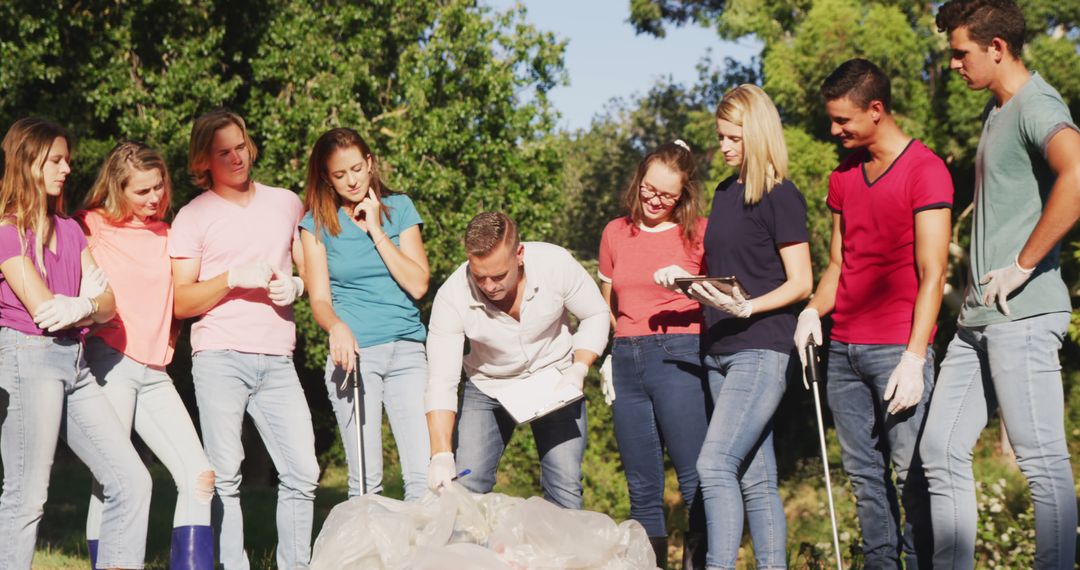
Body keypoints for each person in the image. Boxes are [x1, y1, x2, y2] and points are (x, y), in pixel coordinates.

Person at [922, 2, 1080, 568]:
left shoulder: (1037, 103)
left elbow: (1078, 172)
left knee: (1041, 461)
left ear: (997, 48)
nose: (956, 65)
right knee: (939, 448)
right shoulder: (998, 110)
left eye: (962, 53)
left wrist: (1023, 262)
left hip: (1026, 315)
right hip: (977, 323)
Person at [794, 59, 953, 569]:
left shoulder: (925, 170)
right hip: (844, 352)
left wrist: (915, 355)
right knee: (864, 477)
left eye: (843, 121)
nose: (834, 130)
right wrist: (813, 311)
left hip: (896, 352)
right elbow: (840, 262)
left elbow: (932, 273)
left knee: (910, 473)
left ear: (877, 110)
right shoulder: (843, 177)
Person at [664, 84, 812, 570]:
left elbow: (801, 282)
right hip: (718, 349)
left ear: (757, 133)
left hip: (761, 349)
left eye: (733, 138)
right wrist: (691, 285)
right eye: (721, 137)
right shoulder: (726, 196)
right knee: (755, 477)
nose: (724, 147)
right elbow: (729, 270)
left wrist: (751, 308)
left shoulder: (781, 196)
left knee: (714, 465)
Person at [169, 109, 319, 569]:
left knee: (304, 473)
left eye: (241, 146)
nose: (237, 157)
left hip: (277, 357)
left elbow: (312, 269)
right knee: (227, 476)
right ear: (204, 161)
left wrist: (298, 285)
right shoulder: (193, 217)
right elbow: (180, 301)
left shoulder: (287, 203)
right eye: (223, 151)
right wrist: (231, 279)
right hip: (219, 356)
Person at [0, 117, 151, 569]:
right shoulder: (8, 232)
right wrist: (85, 301)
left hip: (75, 364)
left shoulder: (69, 229)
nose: (66, 168)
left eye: (67, 159)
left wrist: (83, 305)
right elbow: (44, 309)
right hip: (29, 360)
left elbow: (108, 304)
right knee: (27, 498)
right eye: (55, 160)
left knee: (132, 481)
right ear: (27, 163)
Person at [77, 141, 216, 569]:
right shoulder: (90, 226)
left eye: (159, 187)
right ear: (117, 189)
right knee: (114, 481)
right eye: (142, 192)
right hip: (110, 365)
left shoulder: (168, 235)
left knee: (199, 476)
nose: (155, 198)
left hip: (155, 372)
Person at [424, 211, 609, 509]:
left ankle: (563, 556)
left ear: (519, 255)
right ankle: (470, 555)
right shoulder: (451, 297)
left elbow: (596, 314)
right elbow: (441, 380)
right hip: (489, 385)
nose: (489, 285)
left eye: (498, 276)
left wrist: (579, 367)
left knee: (565, 484)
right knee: (467, 487)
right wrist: (441, 454)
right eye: (479, 276)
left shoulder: (556, 264)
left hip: (556, 376)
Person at [300, 128, 431, 500]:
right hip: (355, 356)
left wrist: (375, 228)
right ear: (327, 177)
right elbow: (320, 299)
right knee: (365, 483)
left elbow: (418, 284)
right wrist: (336, 326)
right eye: (340, 175)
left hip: (407, 351)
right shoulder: (316, 225)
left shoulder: (401, 208)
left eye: (357, 169)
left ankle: (420, 557)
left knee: (423, 478)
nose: (352, 181)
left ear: (370, 162)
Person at [599, 140, 709, 569]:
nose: (654, 200)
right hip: (628, 358)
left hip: (680, 356)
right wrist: (610, 353)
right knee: (642, 487)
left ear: (684, 194)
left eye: (666, 194)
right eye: (648, 188)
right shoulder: (615, 232)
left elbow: (723, 299)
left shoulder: (699, 232)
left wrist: (690, 283)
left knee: (694, 479)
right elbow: (607, 302)